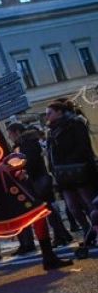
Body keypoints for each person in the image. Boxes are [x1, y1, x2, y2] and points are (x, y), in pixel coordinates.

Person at [0, 100, 72, 270]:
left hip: (8, 180)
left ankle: (49, 257)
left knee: (37, 212)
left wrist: (18, 167)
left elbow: (8, 154)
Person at [6, 122, 73, 248]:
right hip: (38, 179)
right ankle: (62, 235)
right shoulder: (25, 142)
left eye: (10, 134)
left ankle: (61, 236)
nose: (9, 137)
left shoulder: (27, 143)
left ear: (17, 132)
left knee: (47, 210)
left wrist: (24, 171)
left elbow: (30, 161)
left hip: (37, 180)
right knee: (48, 210)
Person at [45, 100, 98, 240]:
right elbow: (51, 152)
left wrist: (68, 162)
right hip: (63, 175)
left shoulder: (75, 123)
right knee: (72, 206)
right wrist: (53, 168)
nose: (47, 117)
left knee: (89, 202)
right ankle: (87, 231)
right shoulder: (51, 130)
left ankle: (95, 229)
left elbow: (83, 146)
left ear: (59, 112)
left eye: (49, 113)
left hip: (80, 170)